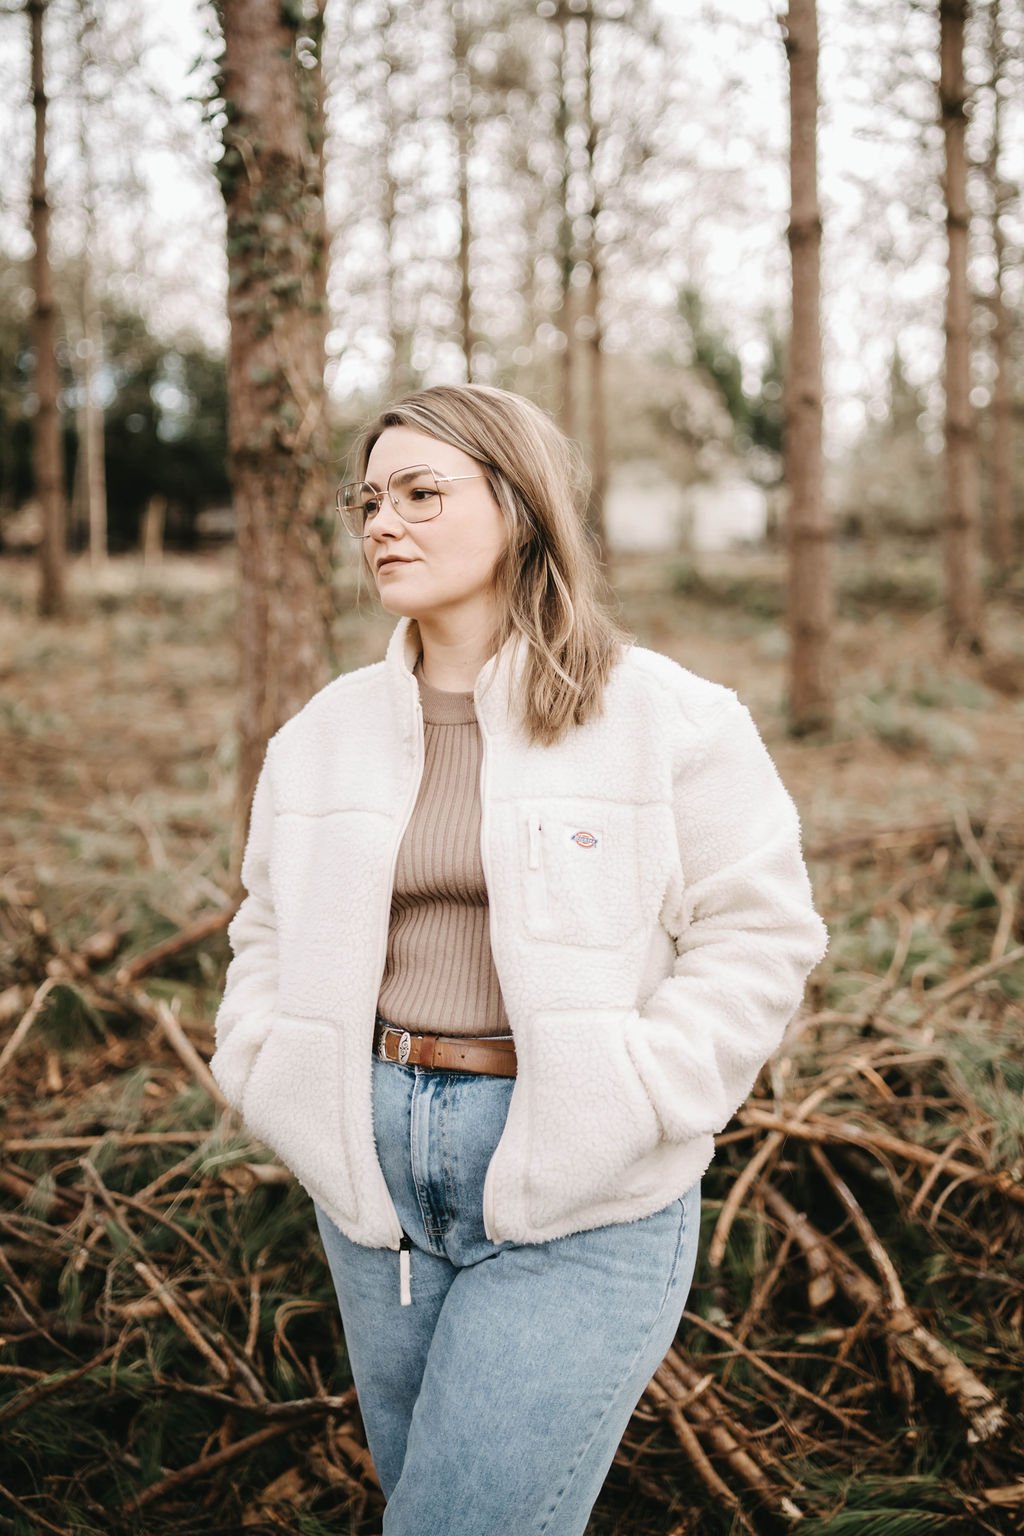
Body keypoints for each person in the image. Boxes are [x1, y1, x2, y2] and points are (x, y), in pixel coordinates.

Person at [210, 383, 829, 1535]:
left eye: (420, 494)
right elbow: (264, 930)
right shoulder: (319, 737)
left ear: (516, 503)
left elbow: (760, 932)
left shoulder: (666, 718)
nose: (382, 524)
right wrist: (266, 1068)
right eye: (368, 501)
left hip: (583, 1189)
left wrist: (640, 1092)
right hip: (374, 1197)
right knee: (424, 1504)